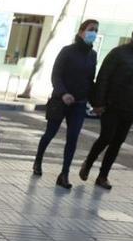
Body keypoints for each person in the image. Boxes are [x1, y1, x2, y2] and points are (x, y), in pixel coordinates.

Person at [79, 19, 133, 190]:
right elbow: (103, 77)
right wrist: (98, 103)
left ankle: (103, 176)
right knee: (106, 137)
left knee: (118, 142)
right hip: (111, 104)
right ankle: (88, 163)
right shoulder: (118, 53)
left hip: (131, 106)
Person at [33, 19, 98, 189]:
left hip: (79, 103)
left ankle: (64, 174)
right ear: (81, 31)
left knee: (73, 138)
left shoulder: (93, 55)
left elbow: (90, 79)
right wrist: (63, 93)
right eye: (91, 29)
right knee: (50, 133)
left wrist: (94, 100)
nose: (93, 33)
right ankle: (38, 161)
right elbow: (56, 75)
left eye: (96, 30)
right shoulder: (68, 51)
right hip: (60, 100)